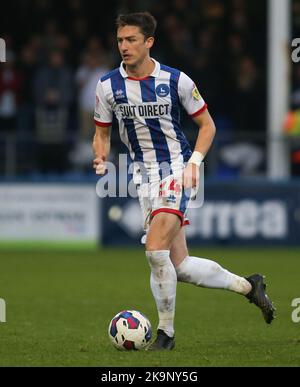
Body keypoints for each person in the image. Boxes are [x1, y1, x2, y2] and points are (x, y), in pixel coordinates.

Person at [92, 12, 275, 350]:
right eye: (120, 40)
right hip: (142, 177)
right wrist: (101, 155)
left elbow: (208, 126)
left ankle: (166, 335)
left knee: (154, 249)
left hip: (176, 168)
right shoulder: (107, 86)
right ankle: (251, 287)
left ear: (149, 42)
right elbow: (101, 133)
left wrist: (194, 163)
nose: (124, 46)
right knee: (180, 266)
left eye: (131, 39)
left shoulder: (177, 81)